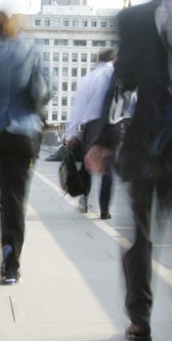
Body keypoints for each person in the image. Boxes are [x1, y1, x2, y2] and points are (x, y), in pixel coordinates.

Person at [88, 0, 172, 341]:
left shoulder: (133, 18)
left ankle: (140, 320)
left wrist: (103, 142)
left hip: (145, 143)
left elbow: (121, 81)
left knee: (141, 236)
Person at [0, 10, 52, 285]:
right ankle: (11, 263)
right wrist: (29, 108)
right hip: (22, 133)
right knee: (14, 199)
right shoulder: (30, 49)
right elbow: (43, 90)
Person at [66, 49, 116, 219]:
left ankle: (84, 198)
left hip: (92, 125)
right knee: (108, 166)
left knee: (88, 163)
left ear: (98, 60)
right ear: (113, 59)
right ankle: (104, 209)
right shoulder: (116, 75)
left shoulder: (88, 78)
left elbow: (78, 108)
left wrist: (72, 133)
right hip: (112, 123)